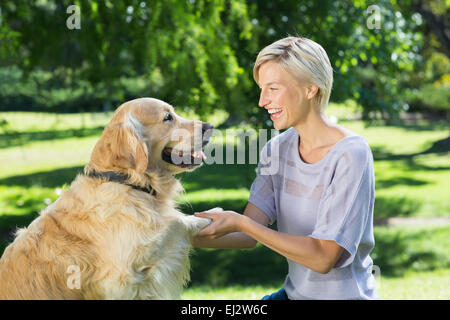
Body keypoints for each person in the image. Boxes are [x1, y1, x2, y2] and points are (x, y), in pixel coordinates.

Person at [193, 36, 377, 300]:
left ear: (310, 89)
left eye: (273, 88)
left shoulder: (351, 154)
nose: (262, 101)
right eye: (261, 89)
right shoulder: (276, 150)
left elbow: (324, 257)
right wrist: (175, 232)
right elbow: (247, 235)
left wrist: (242, 224)